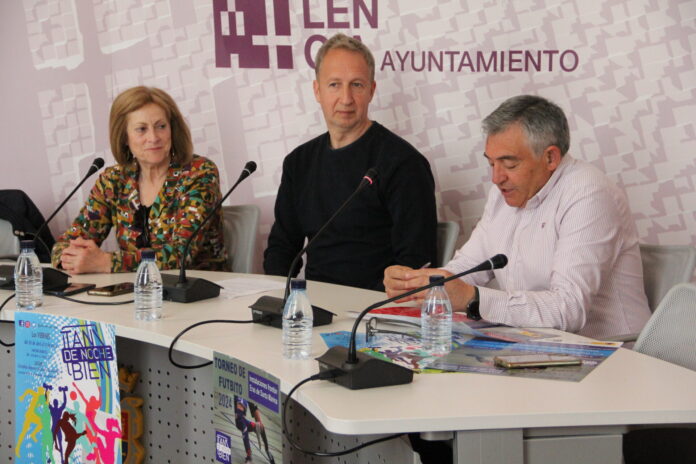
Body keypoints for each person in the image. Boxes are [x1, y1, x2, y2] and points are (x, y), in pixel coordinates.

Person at [384, 95, 651, 340]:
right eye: (491, 163)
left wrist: (473, 298)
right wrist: (420, 282)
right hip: (533, 344)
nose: (496, 178)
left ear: (550, 157)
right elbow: (467, 268)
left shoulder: (589, 194)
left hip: (609, 352)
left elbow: (568, 309)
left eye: (510, 164)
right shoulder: (503, 193)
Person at [263, 33, 437, 291]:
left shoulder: (404, 163)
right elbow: (282, 250)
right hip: (311, 303)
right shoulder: (298, 163)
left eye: (357, 85)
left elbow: (416, 263)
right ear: (317, 91)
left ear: (371, 91)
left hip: (376, 306)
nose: (346, 98)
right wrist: (279, 299)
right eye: (334, 84)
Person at [51, 86, 226, 273]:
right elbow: (67, 243)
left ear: (172, 130)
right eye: (141, 129)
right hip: (132, 287)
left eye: (161, 126)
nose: (153, 137)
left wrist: (107, 262)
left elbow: (181, 254)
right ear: (124, 137)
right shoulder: (114, 180)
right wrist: (72, 258)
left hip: (197, 285)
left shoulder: (199, 173)